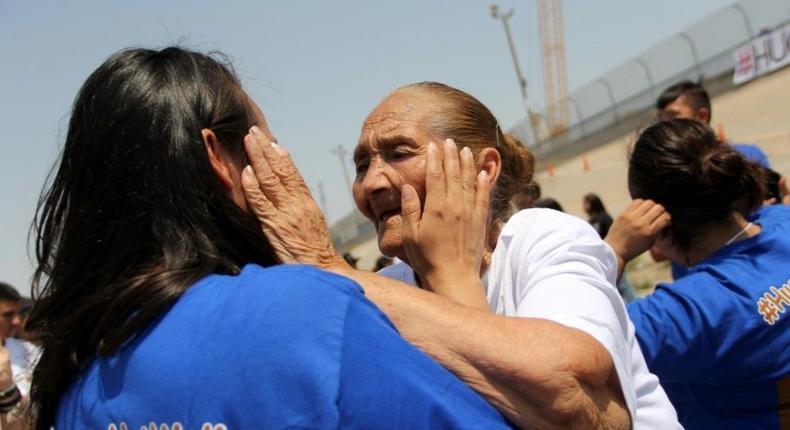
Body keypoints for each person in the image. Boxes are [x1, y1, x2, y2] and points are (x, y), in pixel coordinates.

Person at [27, 47, 515, 430]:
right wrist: (454, 280)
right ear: (219, 158)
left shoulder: (72, 370)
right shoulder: (301, 311)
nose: (372, 183)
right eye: (267, 142)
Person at [241, 82, 680, 429]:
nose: (372, 183)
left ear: (482, 170)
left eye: (399, 153)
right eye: (361, 166)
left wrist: (450, 277)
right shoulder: (384, 290)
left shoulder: (542, 238)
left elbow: (577, 413)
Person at [606, 119, 790, 428]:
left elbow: (572, 346)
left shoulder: (686, 315)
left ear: (656, 220)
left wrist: (613, 253)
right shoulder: (783, 221)